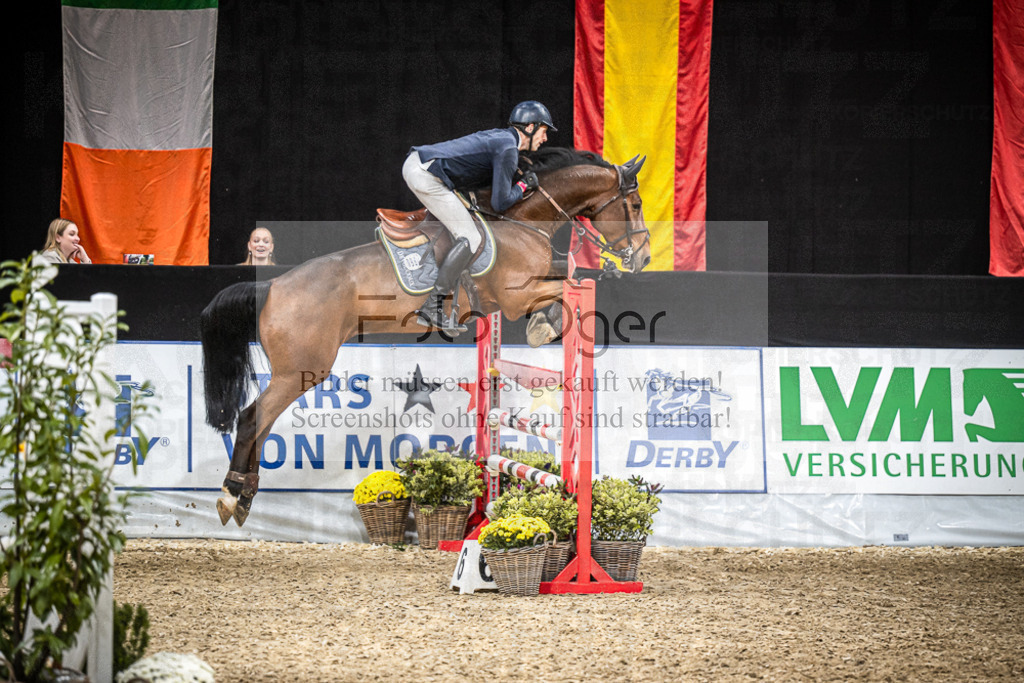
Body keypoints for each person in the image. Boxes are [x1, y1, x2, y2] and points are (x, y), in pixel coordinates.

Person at [403, 100, 555, 333]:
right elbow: (500, 202)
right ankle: (432, 307)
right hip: (425, 174)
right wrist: (524, 186)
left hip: (422, 166)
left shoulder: (504, 141)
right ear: (531, 126)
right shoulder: (507, 148)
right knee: (471, 238)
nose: (545, 138)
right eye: (544, 131)